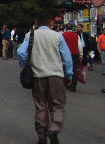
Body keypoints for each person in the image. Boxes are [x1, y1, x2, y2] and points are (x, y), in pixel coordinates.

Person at [18, 12, 74, 144]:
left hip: (38, 76)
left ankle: (42, 137)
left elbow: (21, 52)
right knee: (57, 105)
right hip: (56, 75)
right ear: (51, 23)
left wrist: (25, 63)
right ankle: (54, 129)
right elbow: (67, 58)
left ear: (36, 22)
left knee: (40, 106)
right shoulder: (58, 36)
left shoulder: (30, 35)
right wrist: (69, 74)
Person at [61, 24, 82, 92]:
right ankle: (73, 86)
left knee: (64, 69)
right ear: (72, 28)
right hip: (74, 54)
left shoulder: (62, 35)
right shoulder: (76, 35)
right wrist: (81, 55)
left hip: (65, 54)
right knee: (74, 70)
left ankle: (66, 84)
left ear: (66, 28)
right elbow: (80, 46)